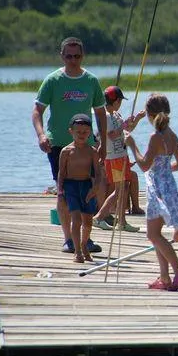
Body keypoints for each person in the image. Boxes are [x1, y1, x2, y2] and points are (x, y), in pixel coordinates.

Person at [31, 37, 107, 254]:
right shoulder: (53, 80)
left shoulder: (91, 81)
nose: (73, 60)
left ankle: (86, 239)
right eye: (68, 56)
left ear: (82, 56)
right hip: (59, 146)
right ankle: (68, 240)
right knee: (63, 192)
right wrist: (41, 135)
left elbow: (101, 114)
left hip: (87, 146)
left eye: (77, 56)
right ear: (61, 56)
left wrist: (102, 142)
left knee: (90, 190)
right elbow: (37, 111)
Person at [123, 94, 178, 291]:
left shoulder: (155, 137)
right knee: (156, 235)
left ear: (149, 115)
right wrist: (162, 169)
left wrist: (132, 145)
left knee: (154, 235)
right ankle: (165, 278)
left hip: (157, 190)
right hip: (169, 187)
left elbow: (144, 165)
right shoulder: (172, 135)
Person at [92, 86, 145, 232]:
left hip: (122, 156)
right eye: (120, 100)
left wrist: (137, 120)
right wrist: (124, 124)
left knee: (124, 187)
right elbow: (111, 135)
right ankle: (99, 217)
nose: (121, 103)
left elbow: (126, 131)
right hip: (113, 157)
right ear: (114, 101)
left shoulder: (116, 115)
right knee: (119, 189)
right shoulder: (106, 117)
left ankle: (121, 222)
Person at [57, 114, 101, 263]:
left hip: (86, 187)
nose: (82, 135)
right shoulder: (66, 151)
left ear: (90, 132)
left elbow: (98, 173)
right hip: (71, 187)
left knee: (88, 223)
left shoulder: (92, 151)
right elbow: (61, 173)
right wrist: (60, 193)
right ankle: (77, 252)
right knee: (76, 219)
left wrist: (95, 189)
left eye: (85, 132)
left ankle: (84, 246)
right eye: (78, 132)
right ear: (71, 131)